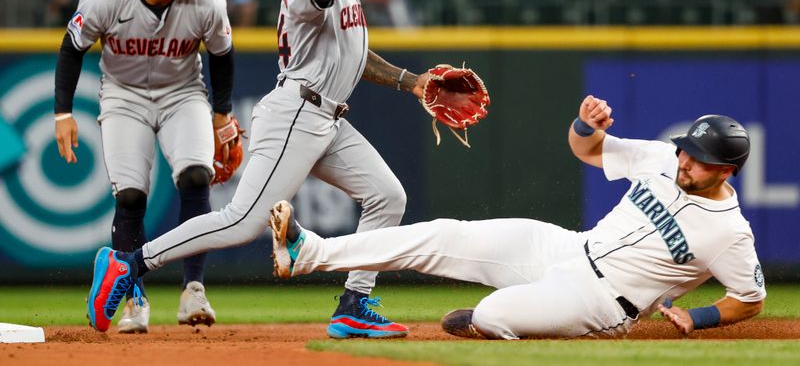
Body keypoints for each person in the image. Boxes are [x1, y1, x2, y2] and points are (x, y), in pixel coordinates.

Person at [86, 0, 441, 339]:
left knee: (387, 197)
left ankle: (354, 303)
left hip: (327, 117)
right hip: (298, 111)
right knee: (241, 221)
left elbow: (352, 50)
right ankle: (128, 264)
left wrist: (410, 82)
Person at [268, 94, 766, 339]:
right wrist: (584, 125)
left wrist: (697, 316)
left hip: (602, 302)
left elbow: (750, 298)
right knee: (442, 234)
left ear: (726, 169)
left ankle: (491, 321)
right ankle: (309, 252)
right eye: (686, 150)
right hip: (568, 247)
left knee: (493, 313)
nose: (684, 160)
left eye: (698, 158)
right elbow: (588, 152)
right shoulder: (661, 158)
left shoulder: (728, 232)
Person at [56, 0, 236, 333]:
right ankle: (134, 296)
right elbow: (72, 48)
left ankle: (194, 288)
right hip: (123, 96)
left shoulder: (208, 0)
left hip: (183, 93)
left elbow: (223, 55)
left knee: (196, 177)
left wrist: (222, 114)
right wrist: (62, 113)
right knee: (132, 196)